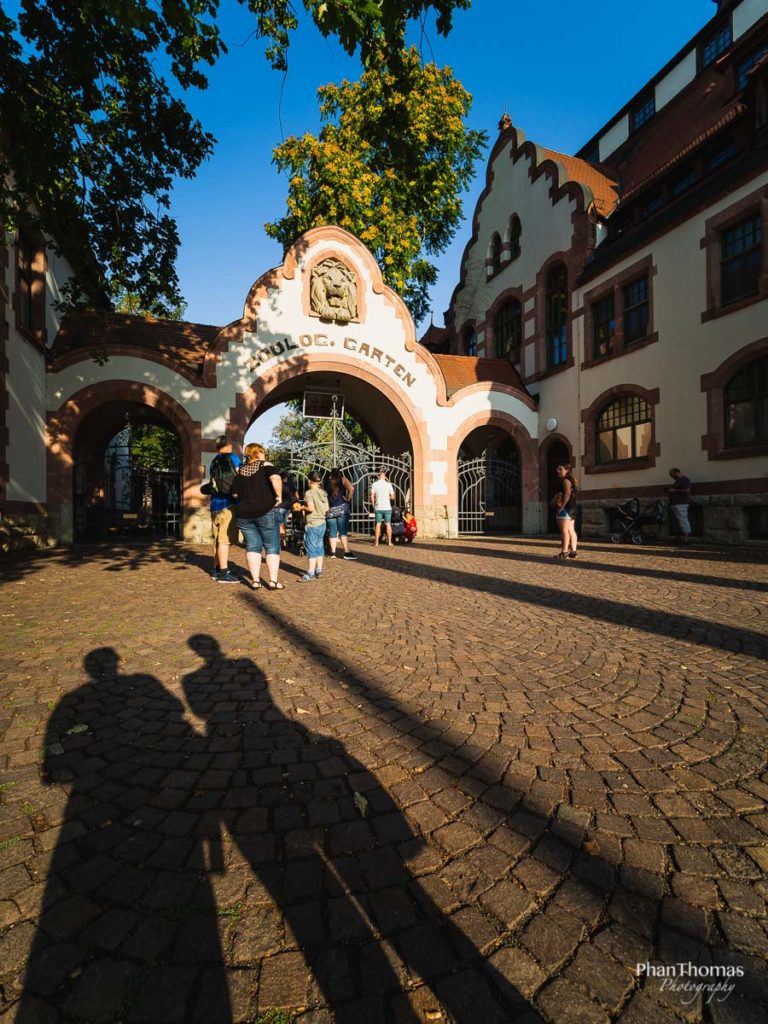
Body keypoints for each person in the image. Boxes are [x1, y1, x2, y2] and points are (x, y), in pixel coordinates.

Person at [229, 443, 284, 590]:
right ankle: (273, 581)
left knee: (252, 546)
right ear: (259, 452)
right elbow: (276, 479)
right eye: (263, 452)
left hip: (244, 514)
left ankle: (255, 581)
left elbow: (234, 493)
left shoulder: (240, 471)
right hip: (265, 510)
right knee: (272, 546)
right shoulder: (266, 466)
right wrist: (278, 496)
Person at [206, 434, 241, 583]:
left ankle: (216, 569)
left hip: (214, 504)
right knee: (225, 540)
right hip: (228, 504)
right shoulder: (233, 458)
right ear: (228, 445)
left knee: (217, 540)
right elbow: (239, 478)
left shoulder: (214, 462)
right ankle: (224, 573)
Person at [298, 471, 329, 581]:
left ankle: (311, 573)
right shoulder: (323, 493)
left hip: (313, 523)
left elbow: (310, 508)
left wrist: (302, 508)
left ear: (309, 481)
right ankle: (319, 570)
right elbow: (326, 509)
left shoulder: (309, 493)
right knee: (320, 546)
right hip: (322, 522)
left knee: (311, 547)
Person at [325, 467, 357, 560]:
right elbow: (351, 488)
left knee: (332, 531)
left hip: (330, 509)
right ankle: (346, 552)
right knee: (343, 531)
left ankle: (333, 552)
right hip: (342, 508)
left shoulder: (326, 481)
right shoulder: (343, 479)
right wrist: (348, 498)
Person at [552, 463, 578, 558]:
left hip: (566, 508)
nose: (558, 471)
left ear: (567, 470)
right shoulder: (572, 480)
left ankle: (564, 552)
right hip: (572, 507)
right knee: (571, 529)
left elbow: (567, 493)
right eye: (557, 469)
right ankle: (573, 551)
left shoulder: (565, 481)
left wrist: (562, 506)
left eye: (560, 469)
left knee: (564, 531)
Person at [370, 467, 395, 547]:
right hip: (387, 507)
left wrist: (373, 504)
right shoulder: (389, 485)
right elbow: (393, 497)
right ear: (385, 476)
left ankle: (376, 542)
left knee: (378, 524)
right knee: (388, 524)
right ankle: (389, 542)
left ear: (378, 476)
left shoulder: (374, 484)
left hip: (378, 507)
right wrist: (387, 497)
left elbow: (372, 496)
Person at [668, 467, 692, 544]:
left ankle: (686, 539)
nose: (672, 477)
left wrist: (675, 490)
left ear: (677, 472)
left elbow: (687, 491)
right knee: (677, 522)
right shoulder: (677, 481)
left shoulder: (685, 480)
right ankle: (678, 538)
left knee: (683, 520)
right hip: (675, 503)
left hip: (681, 503)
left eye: (672, 475)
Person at [277, 471, 293, 549]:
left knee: (280, 524)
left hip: (280, 507)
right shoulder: (290, 486)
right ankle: (284, 541)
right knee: (284, 524)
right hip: (287, 507)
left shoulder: (279, 486)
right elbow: (296, 494)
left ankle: (282, 541)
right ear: (285, 478)